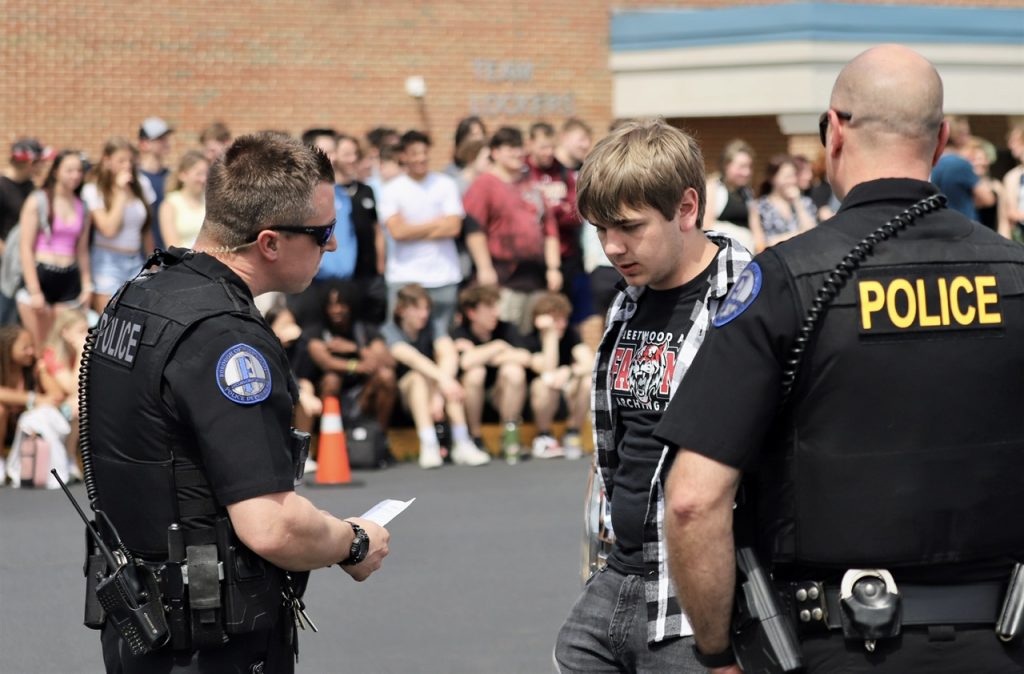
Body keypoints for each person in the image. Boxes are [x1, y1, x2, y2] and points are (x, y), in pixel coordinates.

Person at [657, 44, 1024, 673]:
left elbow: (693, 500)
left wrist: (716, 654)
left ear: (834, 129)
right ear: (939, 144)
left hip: (832, 645)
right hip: (1001, 642)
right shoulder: (1015, 274)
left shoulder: (784, 279)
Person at [84, 133, 390, 672]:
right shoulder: (227, 339)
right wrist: (353, 541)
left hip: (138, 620)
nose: (333, 246)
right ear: (269, 242)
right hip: (207, 639)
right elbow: (270, 524)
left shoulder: (140, 293)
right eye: (322, 233)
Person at [553, 118, 751, 673]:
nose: (612, 247)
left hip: (694, 594)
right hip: (616, 571)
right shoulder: (629, 299)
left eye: (628, 227)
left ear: (687, 208)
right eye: (599, 230)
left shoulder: (750, 301)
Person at [463, 126, 562, 334]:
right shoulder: (485, 184)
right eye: (510, 148)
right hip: (503, 276)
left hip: (534, 276)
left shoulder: (531, 184)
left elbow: (550, 230)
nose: (517, 153)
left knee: (531, 334)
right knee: (507, 332)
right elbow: (474, 229)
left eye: (519, 147)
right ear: (495, 152)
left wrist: (554, 268)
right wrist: (484, 267)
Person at [382, 283, 491, 469]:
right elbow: (412, 359)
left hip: (435, 393)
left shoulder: (433, 324)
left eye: (426, 308)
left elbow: (448, 352)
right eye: (416, 308)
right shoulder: (389, 330)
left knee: (449, 382)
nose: (423, 314)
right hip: (407, 397)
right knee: (419, 377)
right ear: (401, 310)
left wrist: (440, 393)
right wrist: (444, 382)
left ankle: (462, 441)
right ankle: (429, 443)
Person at [379, 130, 466, 337]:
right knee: (402, 339)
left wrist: (412, 229)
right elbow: (397, 232)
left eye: (424, 152)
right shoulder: (392, 189)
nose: (421, 158)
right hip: (405, 276)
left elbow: (453, 227)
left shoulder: (446, 184)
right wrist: (437, 224)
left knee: (443, 338)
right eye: (415, 153)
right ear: (403, 156)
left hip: (444, 277)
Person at [16, 150, 93, 351]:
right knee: (40, 348)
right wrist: (34, 290)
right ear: (56, 171)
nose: (75, 175)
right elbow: (25, 247)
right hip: (42, 274)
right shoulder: (39, 200)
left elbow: (82, 250)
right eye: (69, 170)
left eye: (79, 170)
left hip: (68, 277)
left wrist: (86, 284)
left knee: (59, 349)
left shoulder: (83, 207)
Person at [450, 284, 529, 457]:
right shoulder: (460, 332)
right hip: (469, 399)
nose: (496, 312)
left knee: (514, 372)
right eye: (489, 307)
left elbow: (525, 357)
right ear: (472, 313)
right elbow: (466, 363)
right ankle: (475, 437)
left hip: (499, 396)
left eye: (496, 306)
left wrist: (485, 354)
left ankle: (509, 436)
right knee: (475, 373)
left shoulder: (506, 328)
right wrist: (499, 347)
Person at [82, 136, 156, 313]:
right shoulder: (94, 189)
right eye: (121, 161)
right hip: (107, 261)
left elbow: (145, 229)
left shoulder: (141, 184)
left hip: (136, 260)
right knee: (108, 319)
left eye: (130, 160)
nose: (127, 165)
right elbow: (108, 229)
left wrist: (153, 262)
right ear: (107, 161)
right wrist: (120, 193)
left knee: (138, 317)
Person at [519, 292, 592, 460]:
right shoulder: (528, 339)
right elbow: (547, 370)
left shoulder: (570, 335)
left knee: (588, 381)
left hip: (565, 399)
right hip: (535, 404)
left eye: (564, 318)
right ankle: (544, 436)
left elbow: (590, 363)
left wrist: (569, 370)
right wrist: (550, 335)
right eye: (556, 319)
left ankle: (572, 434)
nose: (562, 324)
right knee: (545, 383)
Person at [748, 154, 818, 252]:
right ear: (772, 178)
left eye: (793, 175)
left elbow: (813, 235)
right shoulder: (758, 206)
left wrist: (797, 202)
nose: (791, 181)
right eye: (787, 176)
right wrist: (798, 234)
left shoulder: (805, 202)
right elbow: (760, 245)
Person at [158, 150, 208, 249]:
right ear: (183, 175)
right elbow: (172, 247)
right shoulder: (170, 204)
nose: (203, 179)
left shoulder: (210, 202)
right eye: (198, 174)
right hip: (184, 262)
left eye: (206, 173)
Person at [138, 117, 174, 249]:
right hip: (142, 256)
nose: (166, 143)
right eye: (160, 139)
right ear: (144, 144)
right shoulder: (136, 178)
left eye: (166, 138)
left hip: (167, 251)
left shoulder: (170, 177)